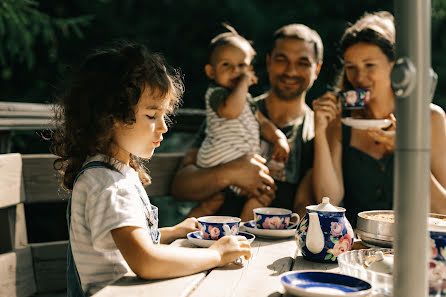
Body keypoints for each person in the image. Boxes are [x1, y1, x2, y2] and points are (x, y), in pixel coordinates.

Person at [50, 42, 251, 296]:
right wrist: (216, 255)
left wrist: (172, 232)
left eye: (164, 115)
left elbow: (128, 241)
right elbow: (145, 261)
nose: (164, 126)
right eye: (151, 116)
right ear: (110, 117)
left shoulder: (114, 174)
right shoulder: (107, 185)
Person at [172, 24, 324, 220]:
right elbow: (181, 187)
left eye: (303, 63)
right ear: (268, 62)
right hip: (216, 238)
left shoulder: (315, 132)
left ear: (317, 69)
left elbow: (308, 203)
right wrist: (231, 172)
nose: (291, 70)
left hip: (277, 245)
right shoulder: (230, 111)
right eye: (281, 59)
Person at [312, 11, 446, 227]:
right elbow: (327, 200)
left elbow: (442, 209)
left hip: (415, 243)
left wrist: (407, 151)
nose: (359, 77)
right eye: (351, 68)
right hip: (357, 244)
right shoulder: (340, 121)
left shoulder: (430, 118)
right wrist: (320, 130)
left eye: (369, 65)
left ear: (394, 65)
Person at [192, 24, 290, 221]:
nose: (236, 71)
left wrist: (279, 138)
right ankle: (183, 232)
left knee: (260, 196)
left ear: (251, 68)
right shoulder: (217, 94)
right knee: (209, 205)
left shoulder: (248, 101)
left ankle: (244, 235)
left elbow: (263, 123)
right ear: (211, 72)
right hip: (219, 159)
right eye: (226, 65)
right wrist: (244, 83)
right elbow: (230, 111)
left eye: (242, 66)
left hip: (240, 161)